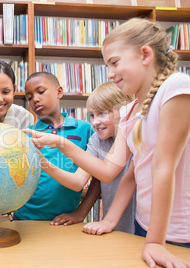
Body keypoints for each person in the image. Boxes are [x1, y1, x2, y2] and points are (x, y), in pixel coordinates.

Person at [24, 18, 190, 268]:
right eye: (106, 65)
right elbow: (115, 172)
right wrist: (109, 221)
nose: (110, 74)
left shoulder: (176, 87)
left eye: (114, 63)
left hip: (177, 234)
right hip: (144, 228)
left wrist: (155, 242)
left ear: (145, 54)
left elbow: (162, 166)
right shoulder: (130, 111)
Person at [41, 81, 136, 234]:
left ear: (124, 109)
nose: (95, 122)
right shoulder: (97, 140)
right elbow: (78, 182)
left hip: (143, 226)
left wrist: (61, 143)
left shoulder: (136, 136)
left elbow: (111, 174)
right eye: (92, 115)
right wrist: (42, 162)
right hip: (115, 228)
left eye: (102, 113)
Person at [14, 72, 94, 221]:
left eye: (41, 91)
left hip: (66, 222)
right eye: (29, 97)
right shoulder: (26, 135)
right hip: (24, 220)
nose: (35, 99)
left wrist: (81, 212)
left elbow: (99, 176)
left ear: (59, 92)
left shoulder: (85, 129)